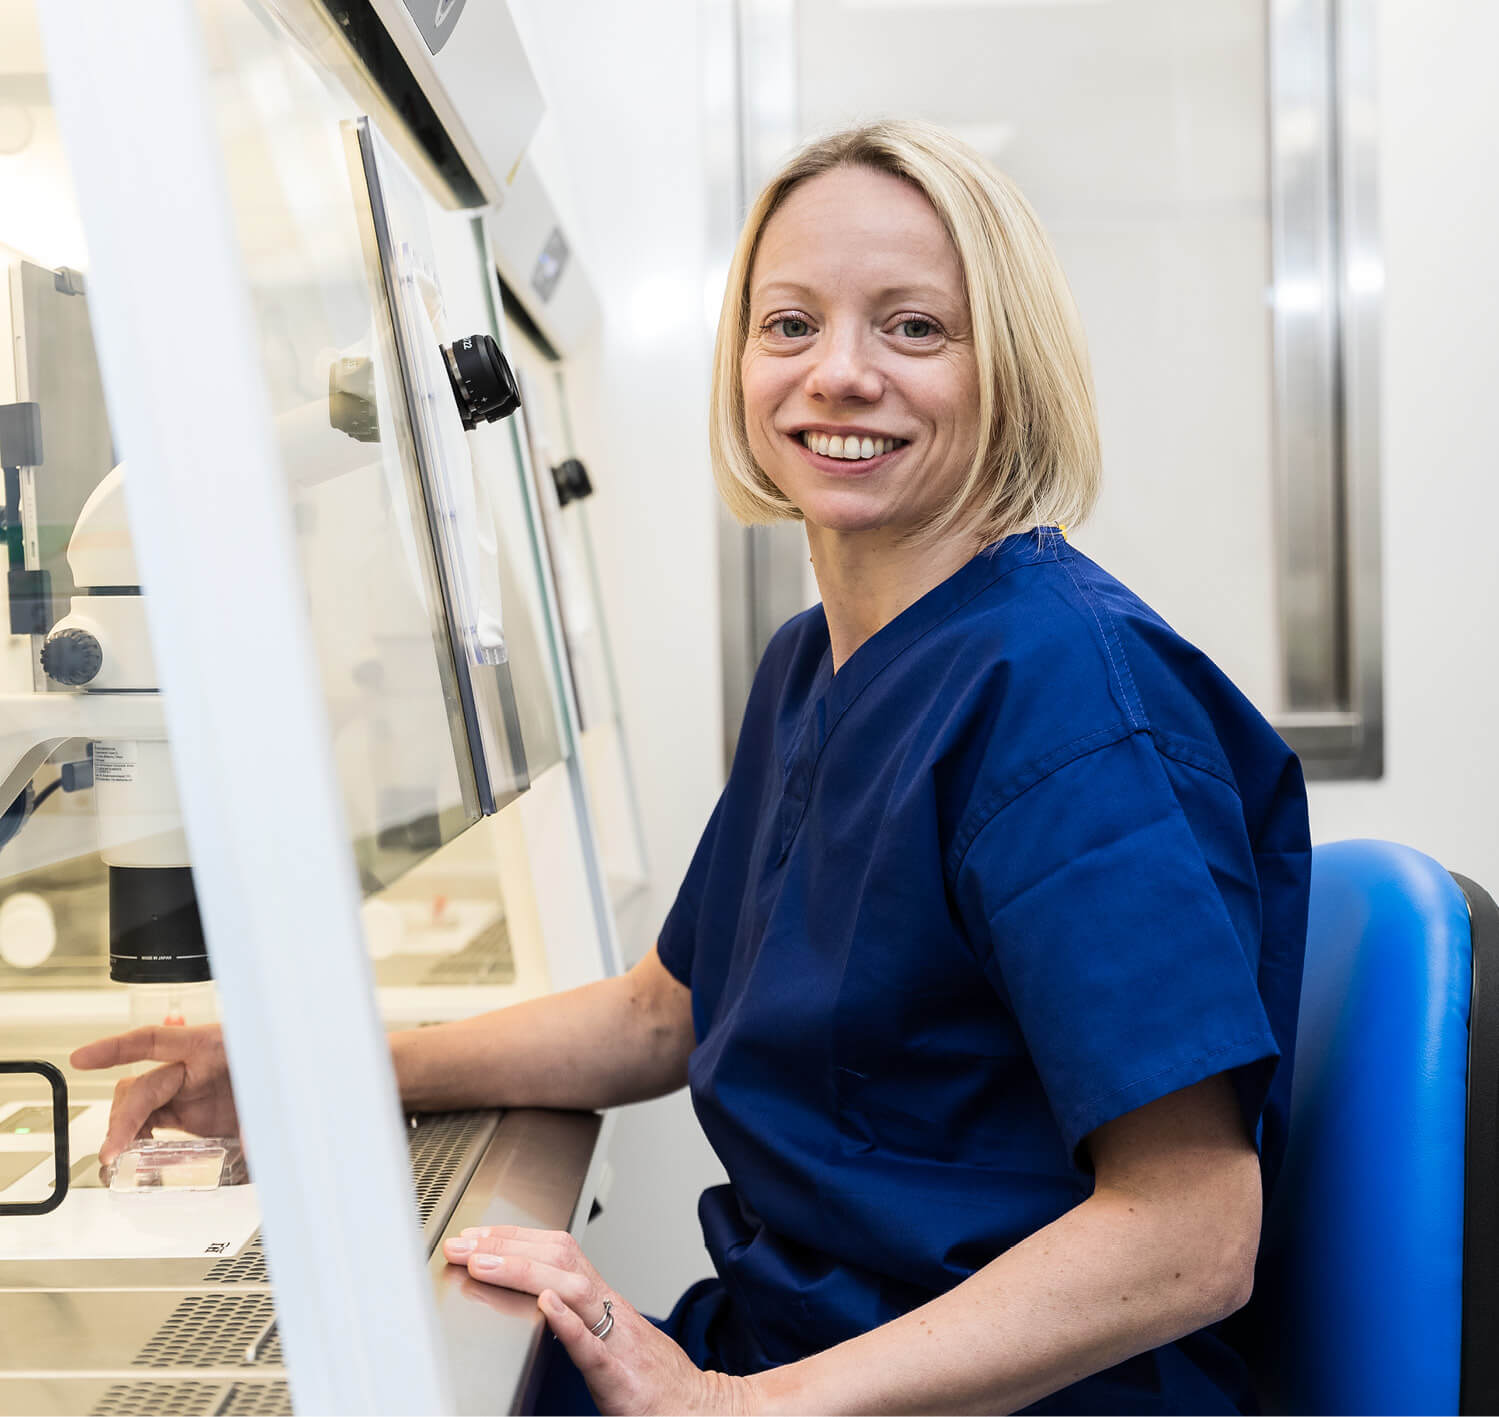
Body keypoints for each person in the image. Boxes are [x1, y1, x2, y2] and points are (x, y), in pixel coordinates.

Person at [72, 120, 1309, 1415]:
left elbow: (1191, 1231)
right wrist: (306, 1068)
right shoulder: (812, 664)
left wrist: (735, 1407)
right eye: (789, 326)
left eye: (914, 329)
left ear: (1010, 365)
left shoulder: (1062, 696)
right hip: (796, 1346)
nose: (839, 373)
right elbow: (664, 1010)